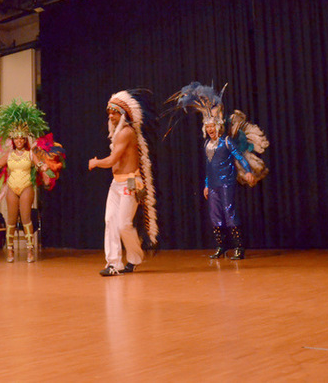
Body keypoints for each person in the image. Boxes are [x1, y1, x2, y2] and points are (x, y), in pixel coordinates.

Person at [167, 82, 268, 260]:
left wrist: (247, 171)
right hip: (213, 184)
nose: (210, 130)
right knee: (215, 215)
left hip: (227, 182)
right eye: (208, 128)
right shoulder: (207, 144)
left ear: (218, 126)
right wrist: (207, 185)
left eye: (212, 127)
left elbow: (240, 157)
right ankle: (221, 247)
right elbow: (209, 166)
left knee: (229, 212)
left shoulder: (227, 141)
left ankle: (239, 247)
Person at [0, 100, 64, 263]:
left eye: (21, 138)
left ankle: (30, 250)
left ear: (25, 139)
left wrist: (46, 169)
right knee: (11, 220)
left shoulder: (30, 154)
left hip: (26, 187)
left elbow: (40, 165)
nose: (19, 141)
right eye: (16, 138)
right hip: (12, 188)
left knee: (26, 219)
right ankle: (10, 250)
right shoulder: (9, 155)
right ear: (13, 140)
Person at [88, 90, 157, 276]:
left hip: (130, 182)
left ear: (124, 114)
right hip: (116, 183)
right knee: (110, 221)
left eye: (115, 113)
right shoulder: (117, 133)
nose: (111, 116)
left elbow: (112, 160)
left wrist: (96, 162)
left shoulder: (126, 132)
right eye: (109, 113)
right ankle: (114, 264)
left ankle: (135, 258)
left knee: (123, 224)